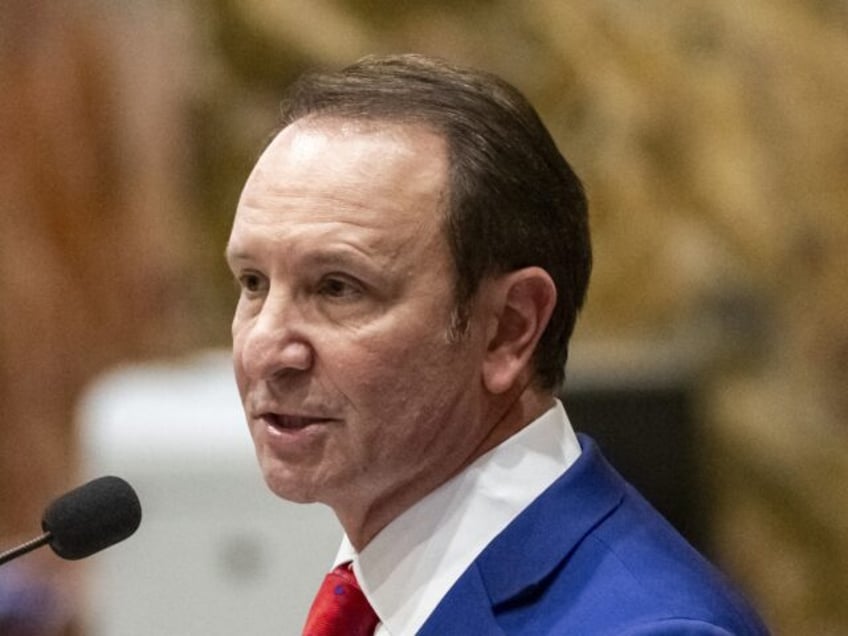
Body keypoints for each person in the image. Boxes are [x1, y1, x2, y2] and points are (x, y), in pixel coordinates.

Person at [226, 53, 769, 635]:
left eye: (338, 288)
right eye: (253, 282)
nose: (265, 349)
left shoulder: (654, 631)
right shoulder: (381, 584)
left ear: (509, 328)